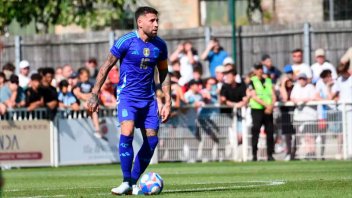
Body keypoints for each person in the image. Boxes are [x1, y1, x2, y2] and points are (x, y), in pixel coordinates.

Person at [86, 6, 171, 195]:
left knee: (152, 140)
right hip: (127, 97)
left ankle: (132, 182)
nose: (156, 24)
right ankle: (126, 181)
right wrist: (94, 93)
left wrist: (167, 101)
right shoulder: (126, 41)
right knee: (128, 131)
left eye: (157, 20)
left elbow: (164, 72)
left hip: (149, 99)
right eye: (152, 20)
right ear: (140, 22)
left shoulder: (160, 46)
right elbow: (106, 66)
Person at [247, 63, 276, 161]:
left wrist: (271, 105)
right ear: (255, 71)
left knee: (270, 131)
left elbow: (273, 94)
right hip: (257, 109)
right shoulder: (252, 81)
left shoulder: (268, 81)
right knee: (256, 131)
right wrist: (267, 105)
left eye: (261, 69)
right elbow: (254, 96)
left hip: (268, 110)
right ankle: (254, 154)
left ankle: (270, 154)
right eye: (258, 69)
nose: (260, 71)